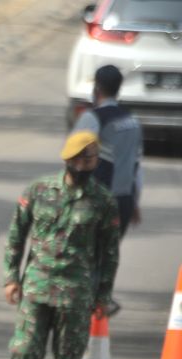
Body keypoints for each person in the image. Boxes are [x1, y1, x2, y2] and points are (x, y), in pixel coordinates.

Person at [0, 130, 120, 359]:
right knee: (24, 353)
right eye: (81, 159)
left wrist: (103, 296)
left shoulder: (103, 202)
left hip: (76, 296)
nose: (86, 164)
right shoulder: (38, 191)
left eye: (91, 159)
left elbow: (109, 254)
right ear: (68, 159)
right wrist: (11, 277)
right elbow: (16, 235)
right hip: (36, 290)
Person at [73, 64, 142, 241]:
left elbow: (75, 159)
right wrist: (134, 202)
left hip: (97, 201)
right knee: (108, 259)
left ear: (96, 87)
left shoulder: (92, 118)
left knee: (87, 257)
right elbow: (137, 168)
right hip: (124, 201)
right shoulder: (133, 122)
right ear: (118, 89)